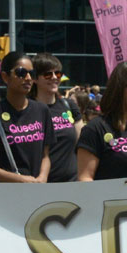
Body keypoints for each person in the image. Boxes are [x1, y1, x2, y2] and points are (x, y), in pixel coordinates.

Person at [0, 52, 53, 183]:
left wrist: (42, 178)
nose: (27, 78)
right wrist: (19, 179)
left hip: (37, 191)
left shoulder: (42, 110)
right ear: (5, 77)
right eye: (21, 72)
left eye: (31, 73)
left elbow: (45, 156)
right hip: (5, 194)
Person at [31, 53, 82, 182]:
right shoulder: (27, 110)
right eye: (48, 74)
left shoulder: (68, 105)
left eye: (58, 74)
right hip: (40, 184)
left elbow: (82, 144)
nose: (54, 78)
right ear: (35, 79)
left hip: (72, 182)